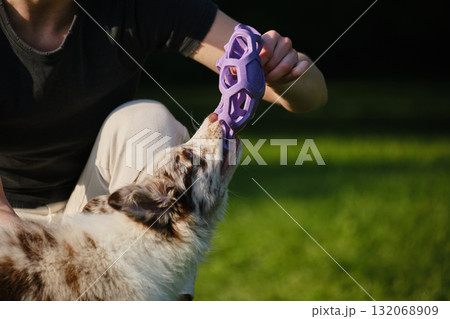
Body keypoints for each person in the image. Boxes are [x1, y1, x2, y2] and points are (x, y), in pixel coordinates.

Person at [0, 0, 327, 299]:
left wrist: (285, 72)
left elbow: (313, 93)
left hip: (100, 216)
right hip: (7, 221)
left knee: (148, 122)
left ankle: (167, 299)